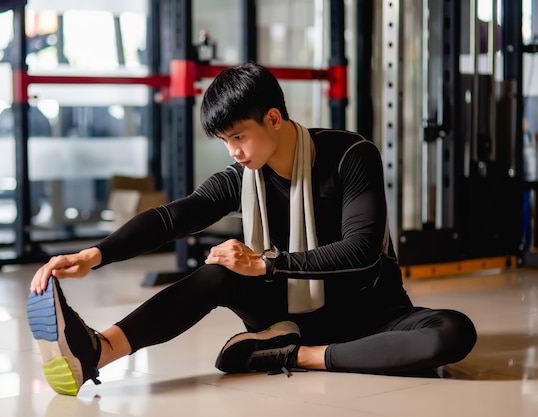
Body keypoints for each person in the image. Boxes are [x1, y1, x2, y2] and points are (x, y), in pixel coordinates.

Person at [27, 62, 477, 396]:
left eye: (239, 136)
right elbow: (174, 217)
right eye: (225, 141)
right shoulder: (244, 177)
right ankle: (98, 350)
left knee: (452, 332)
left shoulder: (351, 156)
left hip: (371, 313)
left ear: (274, 120)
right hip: (290, 309)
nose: (234, 151)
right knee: (220, 268)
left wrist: (267, 263)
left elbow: (361, 250)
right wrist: (94, 254)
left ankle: (290, 352)